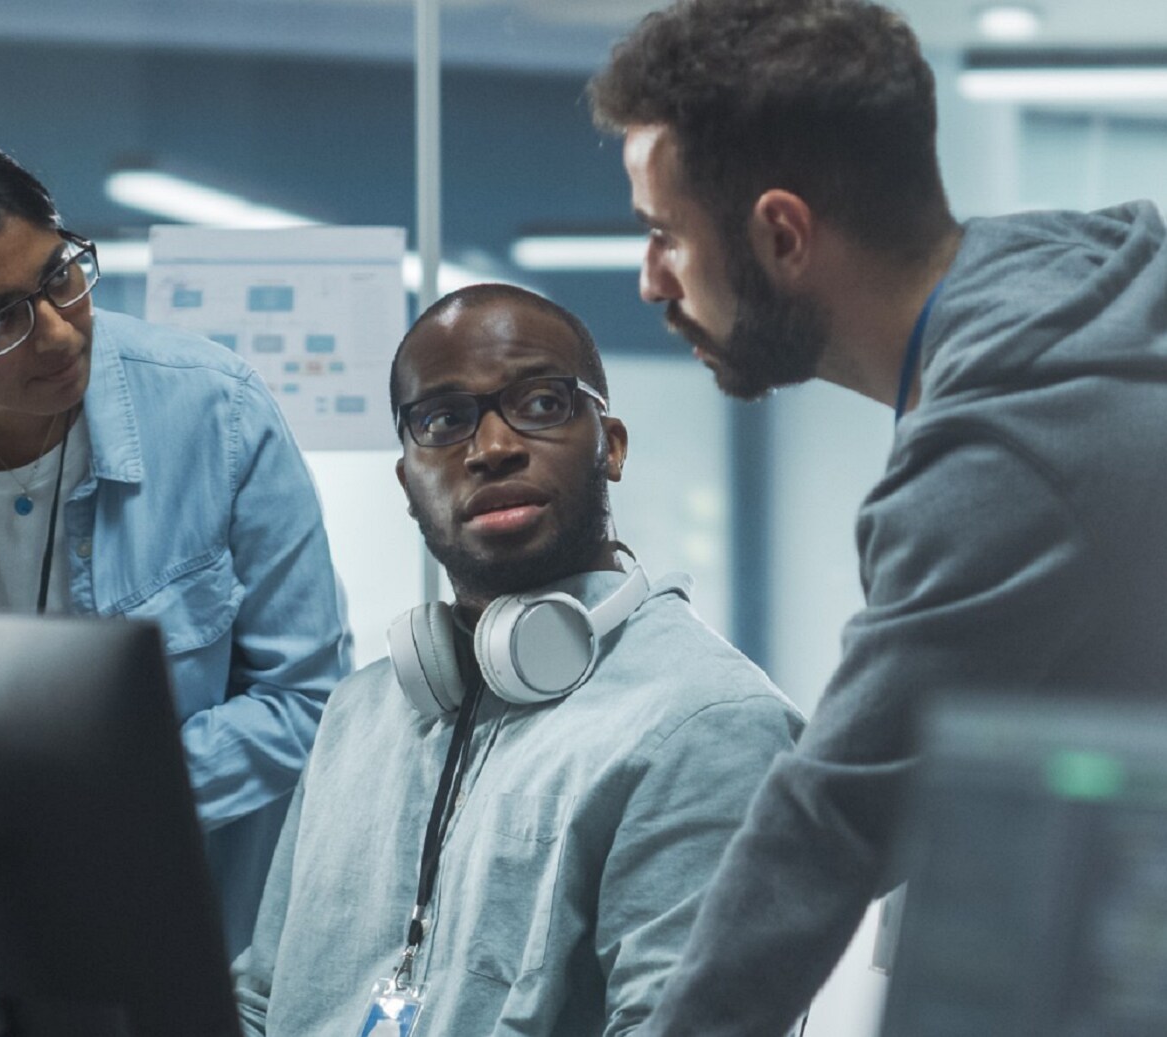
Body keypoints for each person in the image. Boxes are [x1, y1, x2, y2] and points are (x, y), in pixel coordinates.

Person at [588, 0, 1167, 1033]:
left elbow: (832, 818)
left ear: (781, 233)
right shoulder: (1078, 300)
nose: (648, 280)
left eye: (665, 234)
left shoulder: (1009, 450)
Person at [0, 129, 353, 957]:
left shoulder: (215, 411)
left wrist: (85, 790)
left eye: (60, 275)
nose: (57, 331)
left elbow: (310, 702)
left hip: (189, 935)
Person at [232, 283, 803, 1036]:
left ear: (613, 444)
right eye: (443, 419)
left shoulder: (708, 722)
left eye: (541, 404)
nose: (493, 447)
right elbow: (259, 1000)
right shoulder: (360, 713)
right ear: (407, 481)